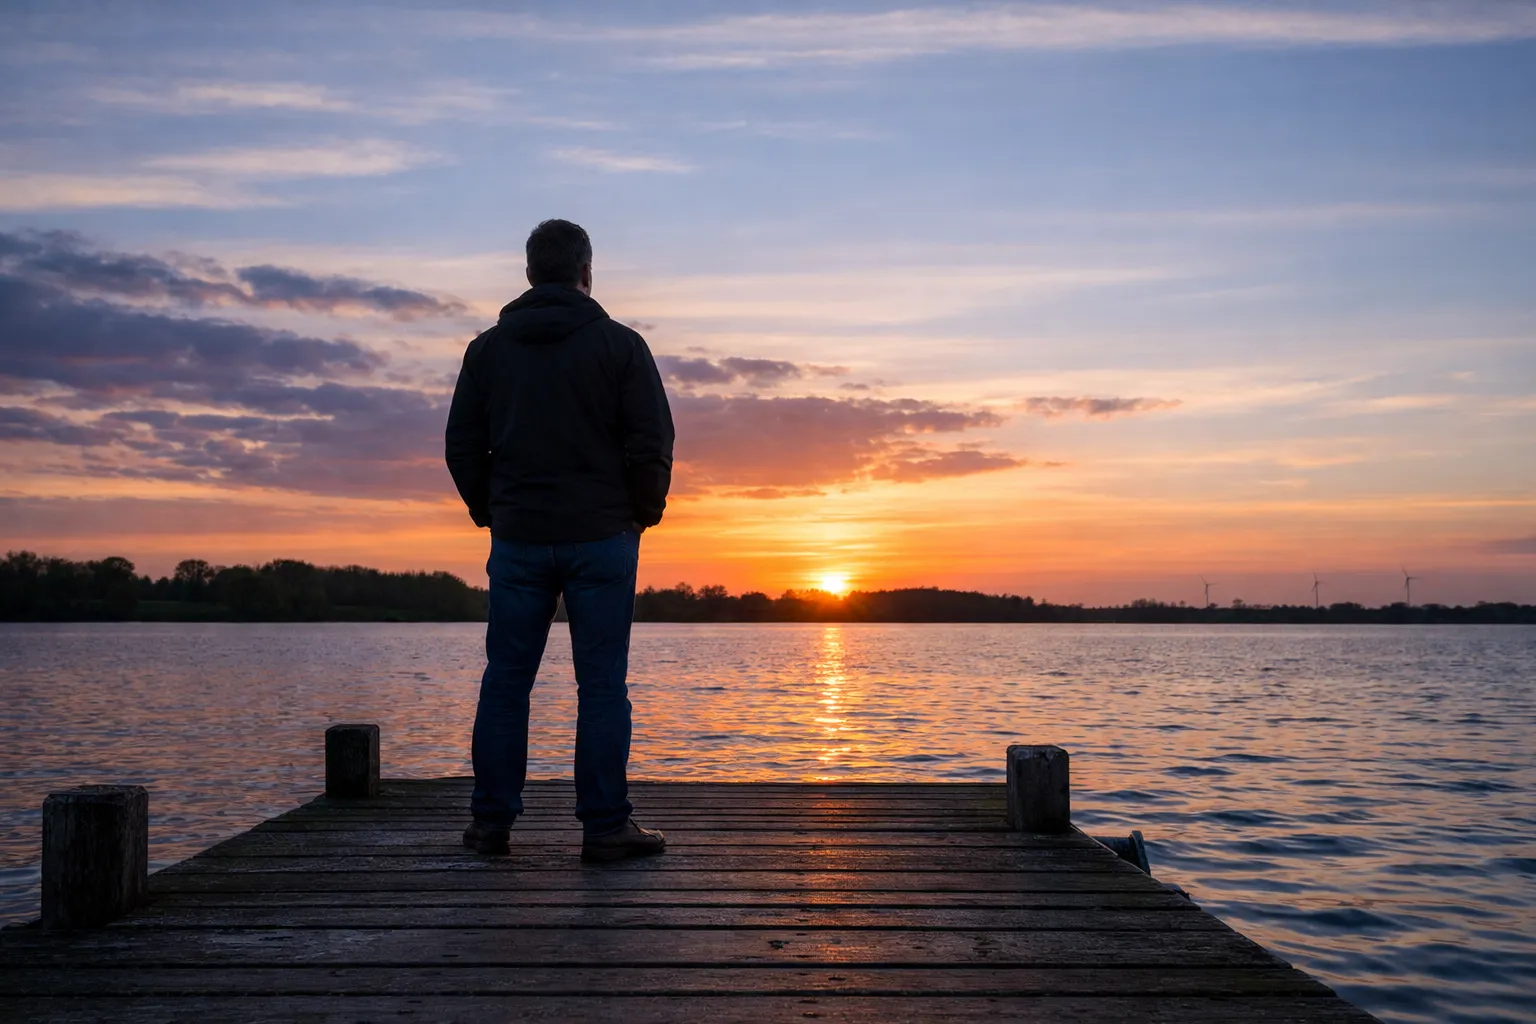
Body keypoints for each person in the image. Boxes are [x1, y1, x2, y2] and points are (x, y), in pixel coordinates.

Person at [445, 219, 674, 862]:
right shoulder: (621, 346)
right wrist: (639, 513)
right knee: (602, 686)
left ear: (527, 274)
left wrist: (492, 511)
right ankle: (604, 827)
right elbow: (653, 442)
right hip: (602, 536)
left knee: (505, 680)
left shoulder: (487, 351)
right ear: (587, 272)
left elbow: (462, 445)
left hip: (519, 537)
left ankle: (490, 825)